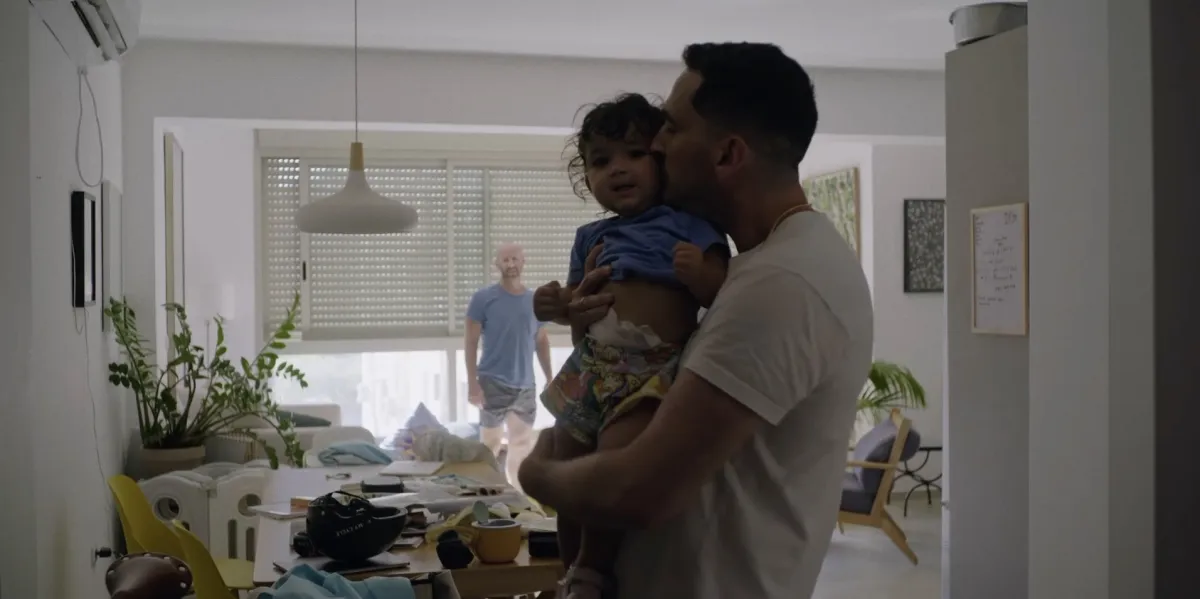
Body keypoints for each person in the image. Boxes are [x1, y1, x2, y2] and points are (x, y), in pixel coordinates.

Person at [519, 42, 875, 599]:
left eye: (672, 130)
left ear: (727, 155)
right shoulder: (752, 268)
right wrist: (584, 316)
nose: (657, 145)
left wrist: (537, 475)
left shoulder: (783, 283)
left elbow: (643, 489)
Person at [530, 93, 730, 599]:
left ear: (662, 159)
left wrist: (700, 275)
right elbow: (577, 305)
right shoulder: (590, 235)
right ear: (587, 178)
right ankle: (568, 570)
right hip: (592, 365)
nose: (618, 169)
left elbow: (724, 296)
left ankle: (595, 569)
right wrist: (553, 303)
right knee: (566, 466)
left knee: (610, 471)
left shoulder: (691, 226)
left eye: (634, 154)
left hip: (649, 373)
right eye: (601, 161)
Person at [464, 243, 553, 487]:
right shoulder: (483, 299)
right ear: (497, 264)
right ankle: (486, 495)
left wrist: (550, 376)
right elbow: (471, 342)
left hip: (525, 386)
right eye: (505, 260)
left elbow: (541, 340)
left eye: (515, 259)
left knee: (521, 447)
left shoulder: (535, 300)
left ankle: (519, 499)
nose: (510, 264)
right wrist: (473, 383)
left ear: (523, 262)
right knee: (490, 446)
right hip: (492, 382)